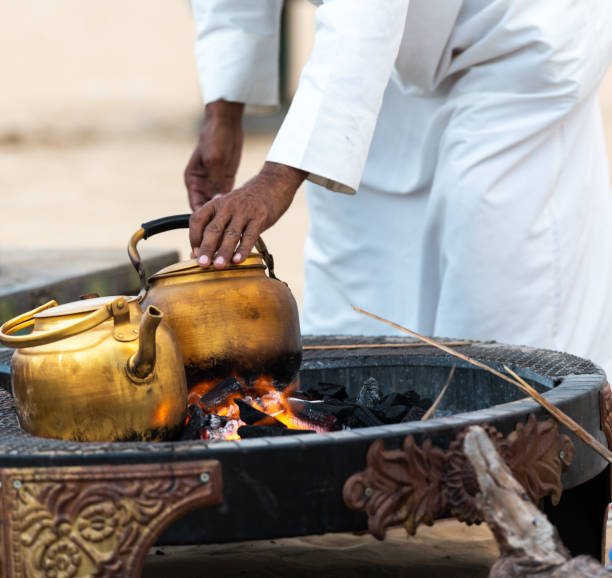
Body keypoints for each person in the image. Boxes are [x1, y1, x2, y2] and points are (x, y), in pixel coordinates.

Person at [185, 0, 612, 376]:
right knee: (356, 281)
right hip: (389, 49)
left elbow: (366, 10)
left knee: (488, 246)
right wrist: (224, 112)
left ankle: (520, 439)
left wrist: (276, 179)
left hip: (516, 27)